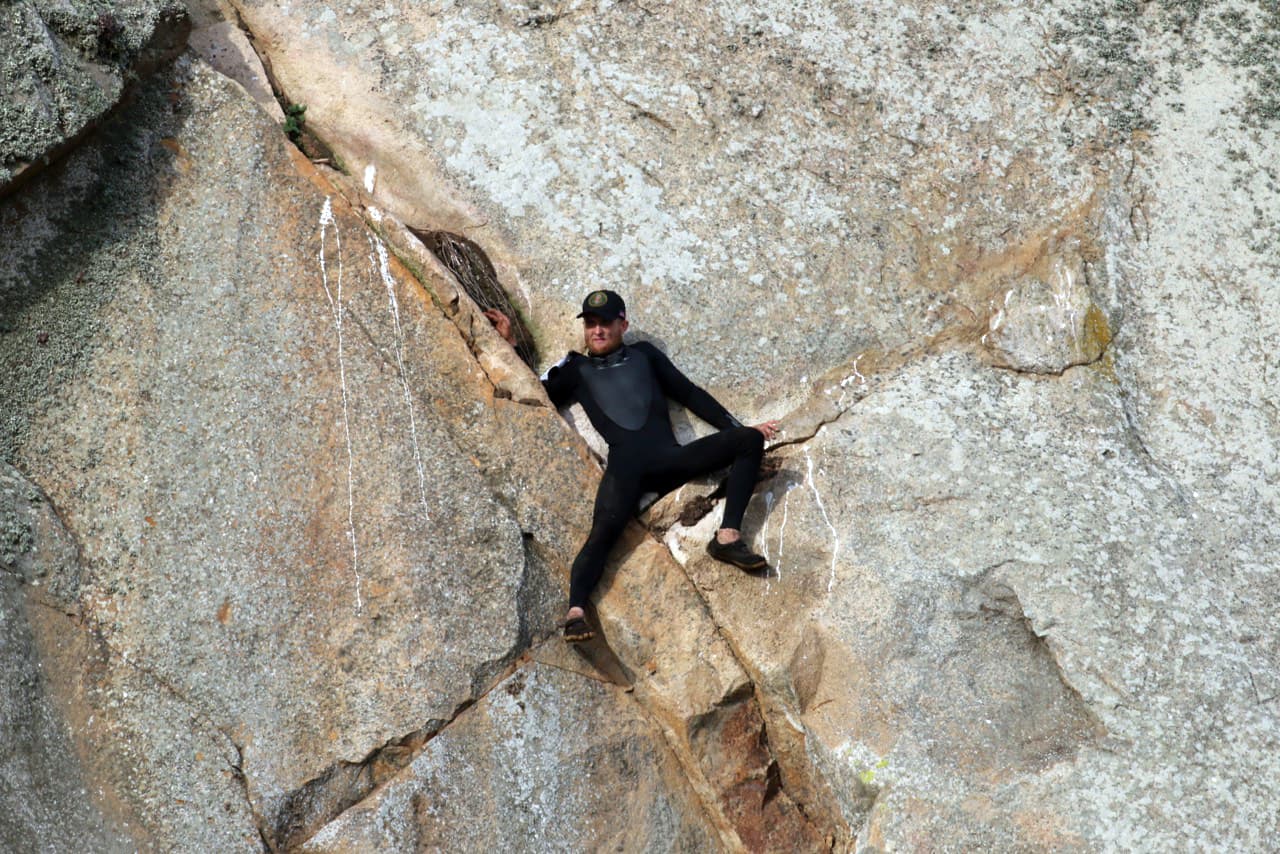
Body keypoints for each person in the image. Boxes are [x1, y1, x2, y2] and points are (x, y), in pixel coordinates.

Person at [485, 290, 780, 642]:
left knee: (749, 441)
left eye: (605, 323)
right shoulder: (575, 369)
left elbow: (689, 394)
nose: (596, 331)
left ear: (622, 324)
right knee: (600, 536)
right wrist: (511, 345)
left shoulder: (645, 355)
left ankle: (727, 538)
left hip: (671, 459)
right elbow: (534, 392)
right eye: (590, 324)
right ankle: (576, 612)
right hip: (626, 472)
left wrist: (738, 428)